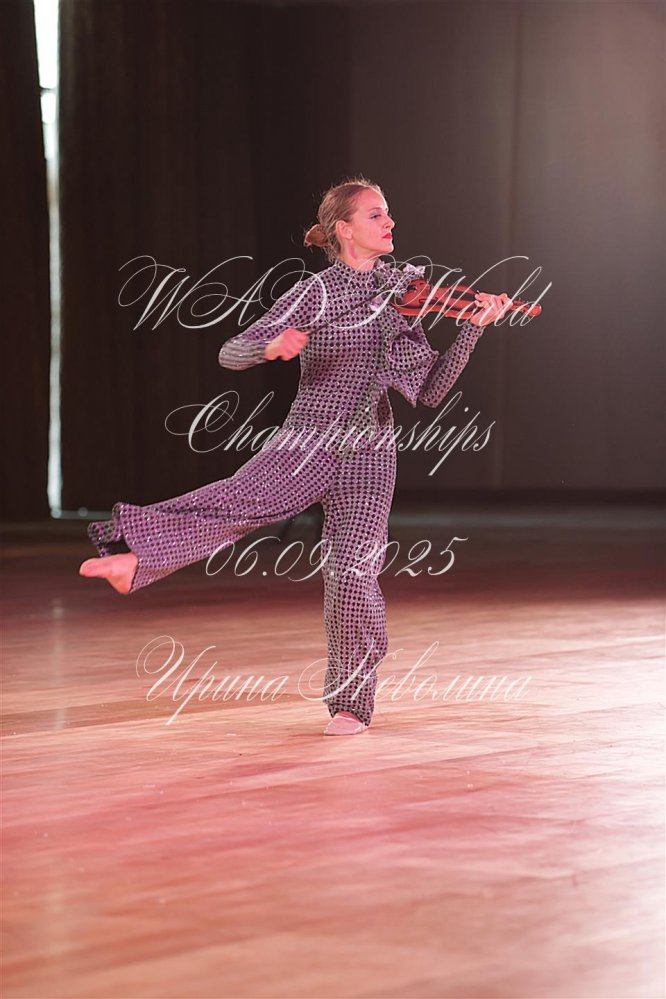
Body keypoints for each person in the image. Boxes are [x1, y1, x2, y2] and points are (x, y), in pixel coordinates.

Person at [79, 175, 511, 736]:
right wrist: (270, 346)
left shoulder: (402, 294)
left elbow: (429, 390)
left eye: (388, 214)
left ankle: (352, 704)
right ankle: (134, 553)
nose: (389, 223)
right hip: (308, 440)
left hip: (371, 452)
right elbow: (231, 351)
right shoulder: (317, 292)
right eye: (376, 215)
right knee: (239, 500)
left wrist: (472, 331)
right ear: (344, 230)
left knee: (353, 574)